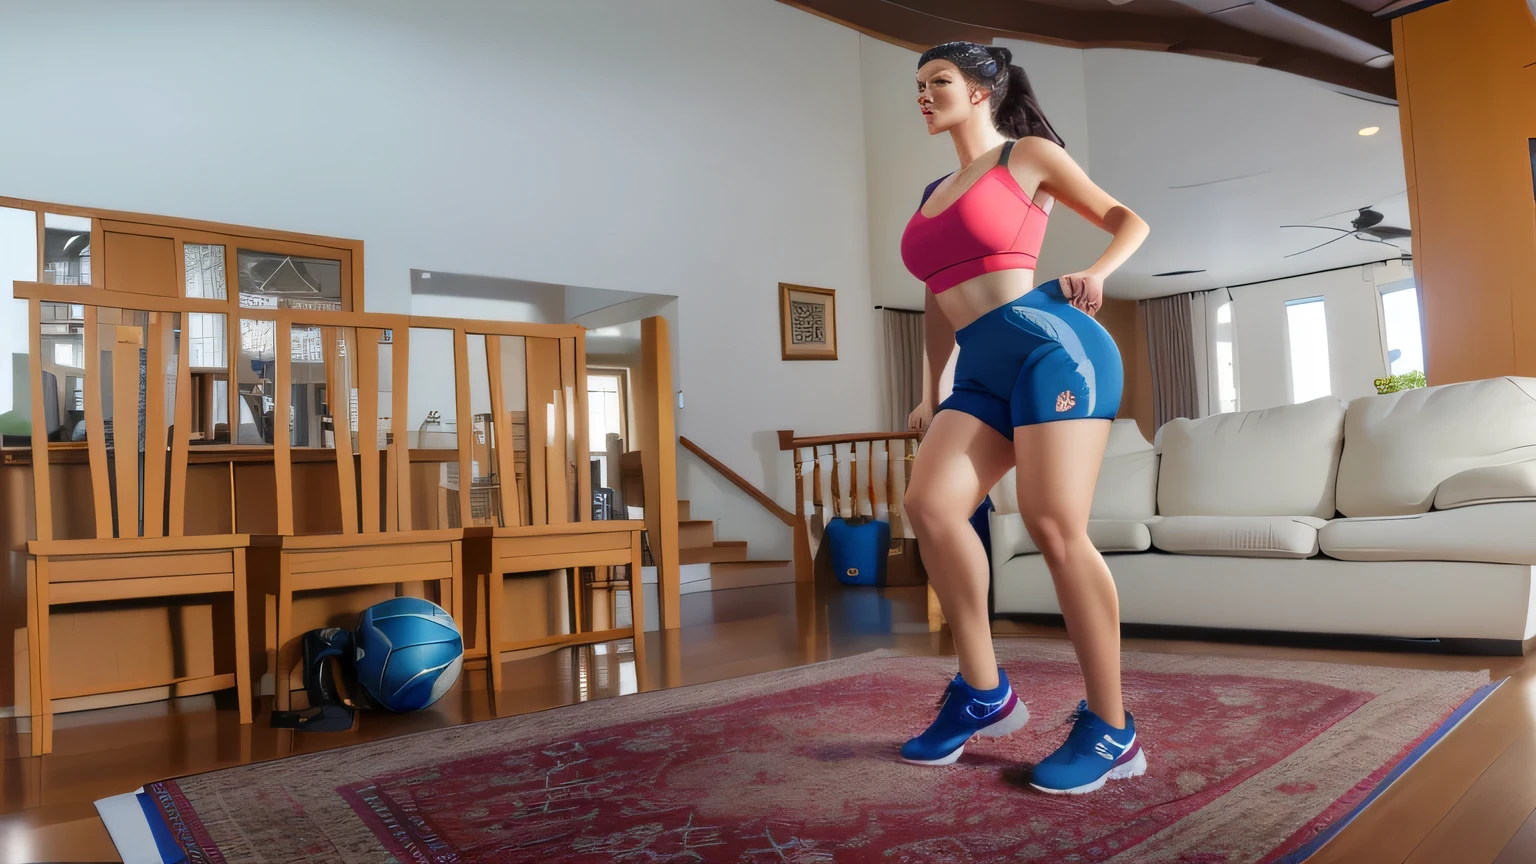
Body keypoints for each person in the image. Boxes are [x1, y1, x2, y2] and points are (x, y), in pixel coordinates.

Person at [896, 41, 1150, 796]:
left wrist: (1097, 273)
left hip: (1054, 347)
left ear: (980, 92)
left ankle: (1113, 728)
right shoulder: (931, 191)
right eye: (917, 85)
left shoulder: (1026, 156)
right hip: (978, 366)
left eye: (938, 81)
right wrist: (932, 387)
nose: (923, 94)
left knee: (1051, 524)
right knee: (930, 507)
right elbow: (934, 298)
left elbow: (1126, 219)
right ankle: (984, 692)